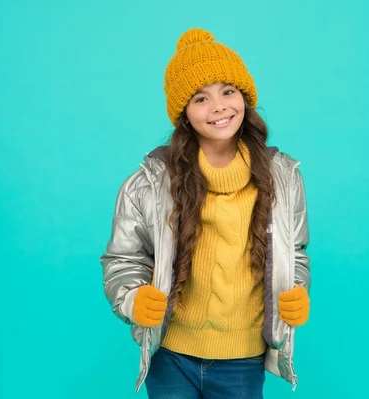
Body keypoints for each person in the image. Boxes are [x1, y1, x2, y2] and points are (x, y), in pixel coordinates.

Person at [101, 27, 311, 399]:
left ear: (244, 97)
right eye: (200, 98)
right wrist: (133, 298)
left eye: (228, 91)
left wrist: (296, 290)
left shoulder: (283, 178)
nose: (218, 107)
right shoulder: (149, 182)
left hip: (243, 359)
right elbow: (123, 258)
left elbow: (294, 252)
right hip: (171, 355)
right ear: (183, 112)